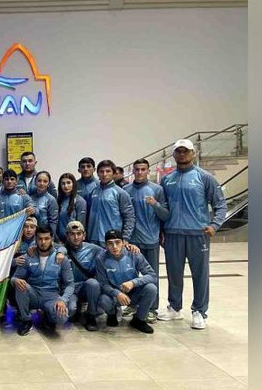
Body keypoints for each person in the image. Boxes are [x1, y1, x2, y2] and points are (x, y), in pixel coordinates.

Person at [157, 139, 227, 330]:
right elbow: (163, 208)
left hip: (198, 234)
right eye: (178, 151)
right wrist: (162, 230)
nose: (182, 154)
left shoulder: (204, 177)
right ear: (174, 154)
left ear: (193, 153)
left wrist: (214, 225)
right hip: (173, 233)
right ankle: (174, 307)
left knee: (200, 274)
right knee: (174, 273)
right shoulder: (167, 180)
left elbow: (220, 204)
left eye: (185, 151)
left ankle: (199, 311)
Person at [123, 158, 170, 322]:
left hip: (150, 240)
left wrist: (155, 204)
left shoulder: (157, 189)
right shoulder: (126, 190)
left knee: (151, 275)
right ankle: (132, 303)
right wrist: (124, 238)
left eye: (143, 169)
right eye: (137, 169)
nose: (140, 172)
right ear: (133, 171)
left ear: (148, 171)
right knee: (130, 274)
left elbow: (165, 215)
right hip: (131, 241)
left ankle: (152, 308)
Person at [10, 226, 75, 336]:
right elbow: (14, 277)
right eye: (40, 239)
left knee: (62, 317)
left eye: (46, 238)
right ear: (36, 239)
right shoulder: (28, 256)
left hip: (51, 296)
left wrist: (63, 300)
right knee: (20, 285)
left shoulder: (61, 258)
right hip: (33, 293)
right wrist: (15, 280)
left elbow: (70, 284)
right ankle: (25, 320)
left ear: (51, 239)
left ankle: (49, 317)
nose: (43, 242)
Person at [95, 229, 158, 334]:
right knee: (103, 300)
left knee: (151, 288)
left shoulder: (134, 253)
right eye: (110, 243)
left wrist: (133, 283)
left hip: (133, 292)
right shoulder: (101, 259)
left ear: (123, 243)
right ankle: (112, 314)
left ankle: (139, 319)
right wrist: (117, 293)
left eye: (117, 242)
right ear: (106, 245)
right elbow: (103, 284)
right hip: (114, 295)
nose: (114, 246)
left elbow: (152, 276)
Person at [60, 221, 106, 331]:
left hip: (86, 286)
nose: (76, 237)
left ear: (84, 235)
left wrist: (129, 248)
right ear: (67, 235)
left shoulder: (94, 249)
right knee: (70, 313)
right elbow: (51, 248)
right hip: (70, 289)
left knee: (93, 283)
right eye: (72, 234)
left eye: (79, 234)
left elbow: (111, 253)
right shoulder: (61, 251)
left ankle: (91, 315)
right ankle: (76, 307)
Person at [86, 160, 135, 248]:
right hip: (93, 239)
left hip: (112, 240)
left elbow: (129, 217)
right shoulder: (94, 192)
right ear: (97, 173)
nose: (104, 174)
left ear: (114, 174)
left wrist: (125, 237)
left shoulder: (120, 193)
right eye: (101, 171)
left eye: (108, 171)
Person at [56, 173, 87, 243]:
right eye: (63, 183)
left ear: (74, 184)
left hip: (73, 240)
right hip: (59, 240)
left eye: (68, 183)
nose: (66, 186)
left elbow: (81, 225)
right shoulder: (59, 200)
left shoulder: (80, 201)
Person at [29, 171, 59, 235]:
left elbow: (53, 222)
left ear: (48, 184)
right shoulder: (30, 198)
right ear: (35, 182)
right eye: (39, 181)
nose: (42, 183)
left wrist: (51, 237)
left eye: (45, 181)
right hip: (31, 234)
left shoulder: (51, 200)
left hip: (44, 235)